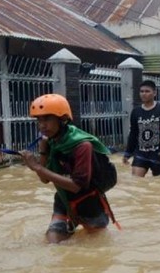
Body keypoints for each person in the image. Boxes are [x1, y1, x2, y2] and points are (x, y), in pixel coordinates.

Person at [20, 94, 117, 244]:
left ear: (62, 119)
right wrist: (43, 153)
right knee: (52, 245)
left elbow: (76, 186)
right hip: (63, 201)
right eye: (39, 120)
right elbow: (45, 180)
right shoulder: (51, 143)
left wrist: (38, 167)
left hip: (89, 205)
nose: (42, 125)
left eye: (47, 119)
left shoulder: (83, 146)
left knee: (97, 250)